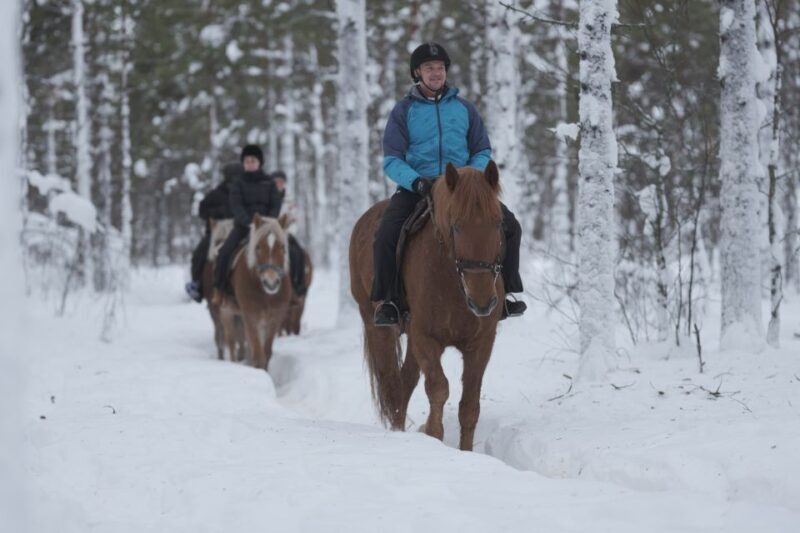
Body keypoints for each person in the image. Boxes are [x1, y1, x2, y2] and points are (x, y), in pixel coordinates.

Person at [372, 41, 526, 326]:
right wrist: (416, 181)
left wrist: (470, 177)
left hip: (464, 190)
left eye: (440, 68)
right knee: (386, 234)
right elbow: (392, 159)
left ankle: (505, 294)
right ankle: (391, 301)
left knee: (510, 225)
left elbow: (481, 150)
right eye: (429, 68)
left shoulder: (465, 108)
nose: (436, 73)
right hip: (419, 187)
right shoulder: (403, 111)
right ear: (417, 72)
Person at [213, 144, 282, 294]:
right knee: (225, 252)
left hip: (266, 227)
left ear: (259, 163)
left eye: (253, 161)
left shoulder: (270, 183)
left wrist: (267, 221)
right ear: (243, 164)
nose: (250, 164)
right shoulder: (238, 183)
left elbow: (276, 204)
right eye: (247, 161)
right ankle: (219, 288)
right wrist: (248, 222)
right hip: (243, 227)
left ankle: (296, 289)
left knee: (291, 250)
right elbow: (236, 205)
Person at [185, 162, 241, 302]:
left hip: (240, 231)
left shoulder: (245, 194)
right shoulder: (215, 194)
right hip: (217, 233)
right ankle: (197, 284)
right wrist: (218, 213)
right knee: (199, 254)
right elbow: (202, 211)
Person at [268, 170, 307, 297]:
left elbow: (294, 219)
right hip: (268, 234)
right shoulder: (266, 198)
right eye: (276, 181)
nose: (279, 184)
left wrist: (286, 232)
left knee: (298, 253)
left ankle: (297, 284)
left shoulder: (289, 200)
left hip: (285, 234)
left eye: (281, 181)